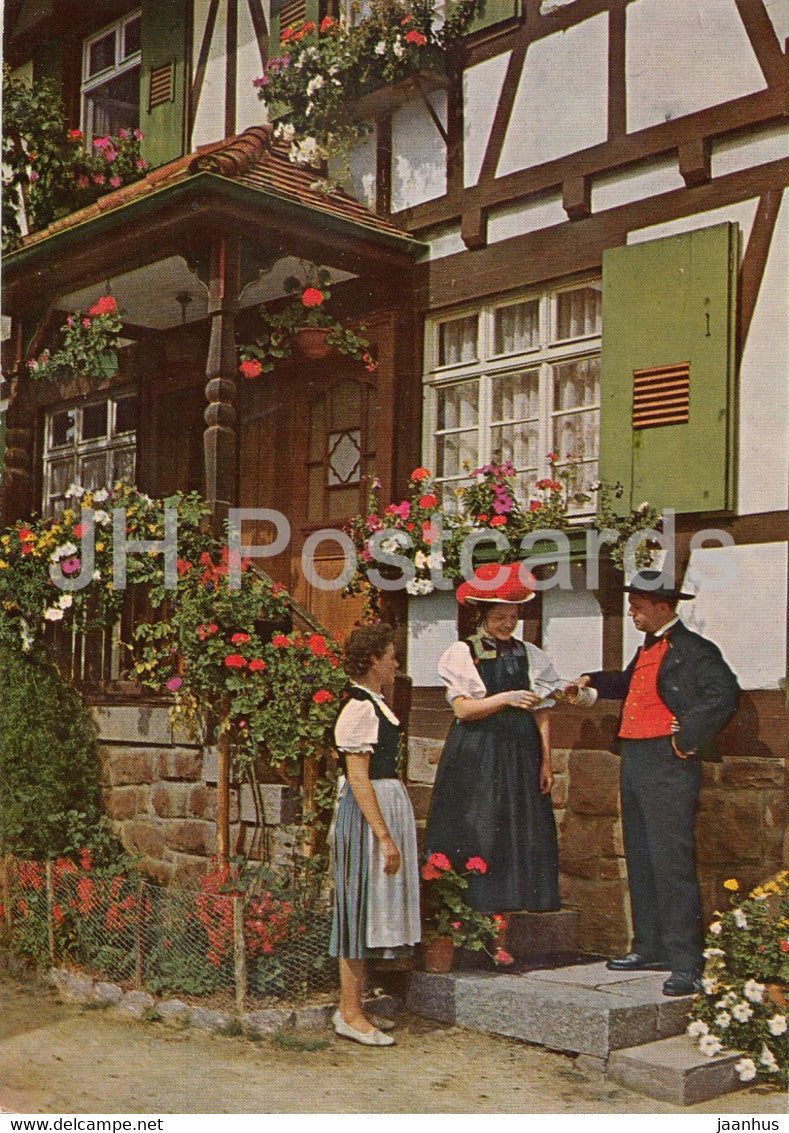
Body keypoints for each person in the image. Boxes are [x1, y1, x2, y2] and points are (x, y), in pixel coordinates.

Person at [565, 569, 740, 996]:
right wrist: (591, 680)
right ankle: (649, 946)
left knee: (671, 861)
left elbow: (725, 695)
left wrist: (686, 737)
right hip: (636, 757)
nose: (632, 612)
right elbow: (629, 685)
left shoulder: (695, 649)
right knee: (641, 855)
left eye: (638, 606)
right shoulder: (646, 648)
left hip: (668, 761)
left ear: (663, 606)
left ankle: (686, 963)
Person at [425, 562, 567, 914]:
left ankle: (522, 900)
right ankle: (479, 903)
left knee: (523, 823)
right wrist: (505, 699)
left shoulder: (530, 654)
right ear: (484, 615)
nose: (507, 624)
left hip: (520, 750)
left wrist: (546, 760)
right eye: (500, 617)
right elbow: (463, 710)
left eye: (513, 616)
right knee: (481, 821)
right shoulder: (464, 652)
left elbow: (543, 710)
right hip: (478, 751)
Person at [329, 622, 420, 1046]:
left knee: (372, 910)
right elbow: (358, 777)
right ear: (372, 661)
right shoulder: (360, 708)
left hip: (383, 805)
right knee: (358, 910)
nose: (396, 664)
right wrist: (384, 837)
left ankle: (356, 1007)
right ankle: (348, 1013)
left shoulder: (377, 704)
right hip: (366, 815)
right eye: (391, 656)